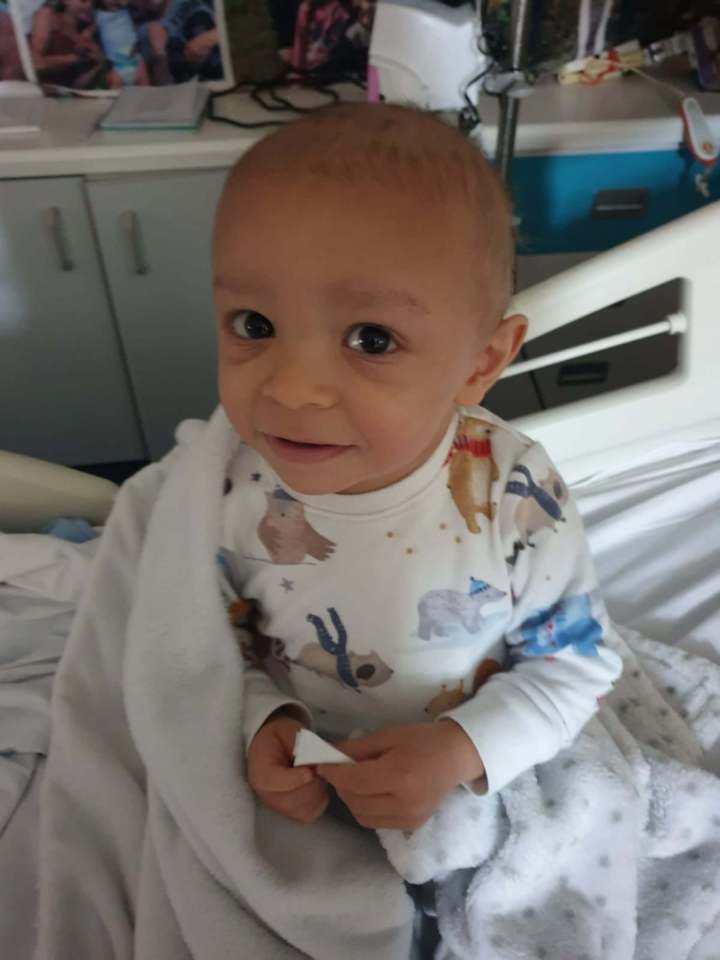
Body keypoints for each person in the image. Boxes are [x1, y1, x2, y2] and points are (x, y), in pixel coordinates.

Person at [213, 101, 623, 832]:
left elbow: (576, 668)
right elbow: (212, 644)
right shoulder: (225, 484)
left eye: (371, 339)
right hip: (298, 791)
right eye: (255, 326)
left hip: (467, 781)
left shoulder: (513, 494)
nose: (289, 389)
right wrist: (260, 717)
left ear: (482, 362)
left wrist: (457, 751)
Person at [30, 0, 105, 89]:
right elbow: (35, 63)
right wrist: (74, 59)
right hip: (41, 90)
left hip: (67, 94)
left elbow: (76, 86)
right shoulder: (48, 16)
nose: (89, 6)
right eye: (83, 1)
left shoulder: (87, 33)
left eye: (94, 3)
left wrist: (97, 65)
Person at [94, 0, 148, 87]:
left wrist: (128, 2)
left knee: (146, 93)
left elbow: (143, 8)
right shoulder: (98, 15)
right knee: (116, 96)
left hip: (135, 60)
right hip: (115, 65)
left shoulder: (127, 10)